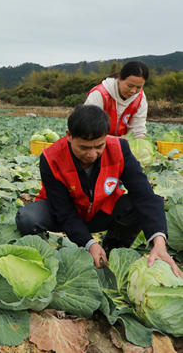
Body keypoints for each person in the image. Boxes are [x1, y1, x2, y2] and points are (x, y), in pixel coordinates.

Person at [15, 105, 182, 278]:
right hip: (62, 215)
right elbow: (64, 211)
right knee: (28, 218)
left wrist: (159, 241)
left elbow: (144, 195)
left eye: (98, 146)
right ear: (69, 136)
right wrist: (89, 243)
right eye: (84, 148)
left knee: (138, 203)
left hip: (101, 211)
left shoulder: (120, 149)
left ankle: (112, 253)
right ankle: (44, 256)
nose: (92, 154)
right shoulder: (51, 158)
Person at [85, 61, 149, 138]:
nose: (133, 91)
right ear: (119, 79)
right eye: (130, 86)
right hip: (95, 144)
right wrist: (117, 141)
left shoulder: (140, 98)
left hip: (123, 144)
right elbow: (87, 129)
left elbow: (138, 130)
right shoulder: (99, 95)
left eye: (139, 87)